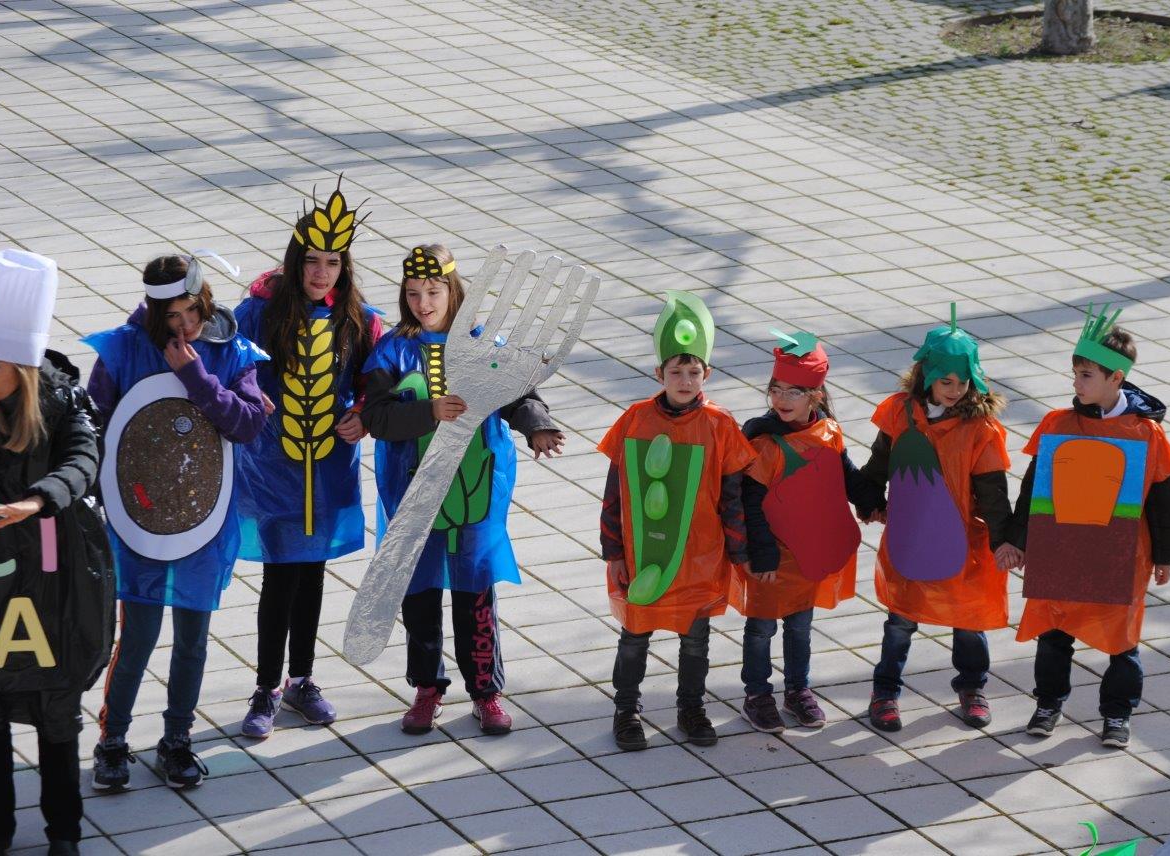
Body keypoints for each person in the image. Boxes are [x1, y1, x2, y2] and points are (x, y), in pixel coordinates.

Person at [360, 244, 564, 736]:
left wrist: (536, 426)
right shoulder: (390, 351)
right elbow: (376, 416)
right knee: (420, 591)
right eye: (413, 293)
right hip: (413, 491)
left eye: (432, 292)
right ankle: (426, 687)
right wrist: (428, 412)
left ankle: (486, 691)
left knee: (475, 591)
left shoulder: (483, 344)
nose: (422, 303)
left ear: (453, 292)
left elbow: (519, 392)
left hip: (474, 489)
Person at [84, 253, 267, 791]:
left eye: (190, 311)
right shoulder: (123, 348)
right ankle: (112, 741)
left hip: (202, 520)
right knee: (136, 636)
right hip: (138, 517)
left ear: (203, 299)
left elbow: (248, 424)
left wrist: (196, 376)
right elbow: (94, 426)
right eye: (170, 315)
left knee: (193, 638)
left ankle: (176, 741)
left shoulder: (231, 351)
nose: (183, 324)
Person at [0, 249, 113, 856]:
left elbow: (85, 460)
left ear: (24, 370)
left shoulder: (64, 407)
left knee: (58, 717)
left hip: (52, 586)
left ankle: (64, 836)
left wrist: (39, 500)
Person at [235, 182, 384, 739]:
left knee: (313, 573)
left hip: (327, 470)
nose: (322, 273)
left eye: (334, 262)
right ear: (296, 261)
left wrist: (366, 411)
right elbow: (228, 360)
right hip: (273, 469)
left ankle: (302, 679)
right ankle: (265, 687)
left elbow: (384, 379)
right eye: (313, 261)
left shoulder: (360, 320)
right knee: (280, 578)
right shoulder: (259, 313)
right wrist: (249, 395)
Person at [1007, 305, 1170, 748]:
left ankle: (1118, 714)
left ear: (1116, 379)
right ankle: (1048, 702)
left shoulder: (1145, 433)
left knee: (1121, 640)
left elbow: (1164, 499)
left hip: (1121, 554)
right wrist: (1018, 539)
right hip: (1063, 547)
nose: (1076, 382)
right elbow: (1032, 489)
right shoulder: (1058, 425)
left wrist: (1164, 555)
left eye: (1086, 375)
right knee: (1054, 632)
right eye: (1076, 373)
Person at [598, 290, 756, 751]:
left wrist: (740, 552)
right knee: (634, 636)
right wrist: (614, 550)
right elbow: (614, 492)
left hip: (701, 557)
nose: (685, 380)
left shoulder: (720, 425)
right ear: (658, 374)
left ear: (707, 373)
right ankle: (626, 710)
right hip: (644, 551)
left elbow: (733, 497)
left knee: (695, 639)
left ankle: (691, 707)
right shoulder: (635, 420)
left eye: (693, 372)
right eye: (675, 372)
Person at [859, 305, 1012, 733]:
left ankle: (972, 687)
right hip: (911, 535)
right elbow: (880, 462)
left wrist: (1004, 539)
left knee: (967, 621)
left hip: (961, 540)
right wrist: (869, 499)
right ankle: (885, 690)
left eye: (963, 382)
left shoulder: (981, 429)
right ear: (927, 375)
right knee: (901, 620)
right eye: (946, 381)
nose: (955, 390)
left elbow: (993, 493)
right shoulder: (900, 413)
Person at [732, 330, 883, 733]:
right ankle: (757, 693)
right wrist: (760, 554)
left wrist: (870, 504)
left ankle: (798, 689)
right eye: (776, 390)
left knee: (800, 625)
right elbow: (752, 503)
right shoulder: (763, 442)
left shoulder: (827, 432)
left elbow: (844, 475)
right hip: (771, 554)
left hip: (807, 552)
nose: (781, 399)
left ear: (815, 397)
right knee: (762, 626)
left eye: (793, 392)